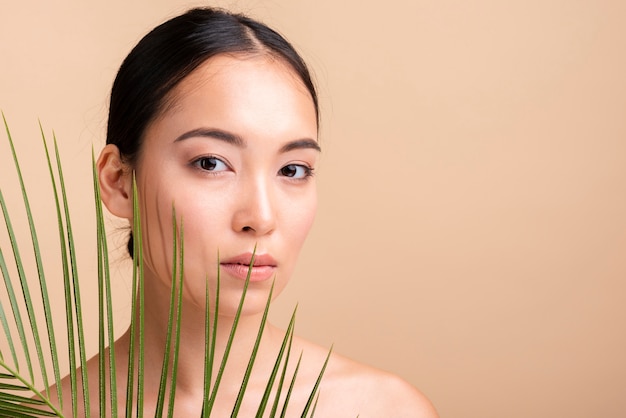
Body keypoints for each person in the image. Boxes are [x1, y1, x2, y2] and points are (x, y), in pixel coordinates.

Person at [56, 7, 438, 417]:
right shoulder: (45, 411)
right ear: (118, 182)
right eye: (210, 163)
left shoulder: (381, 410)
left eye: (293, 170)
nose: (261, 216)